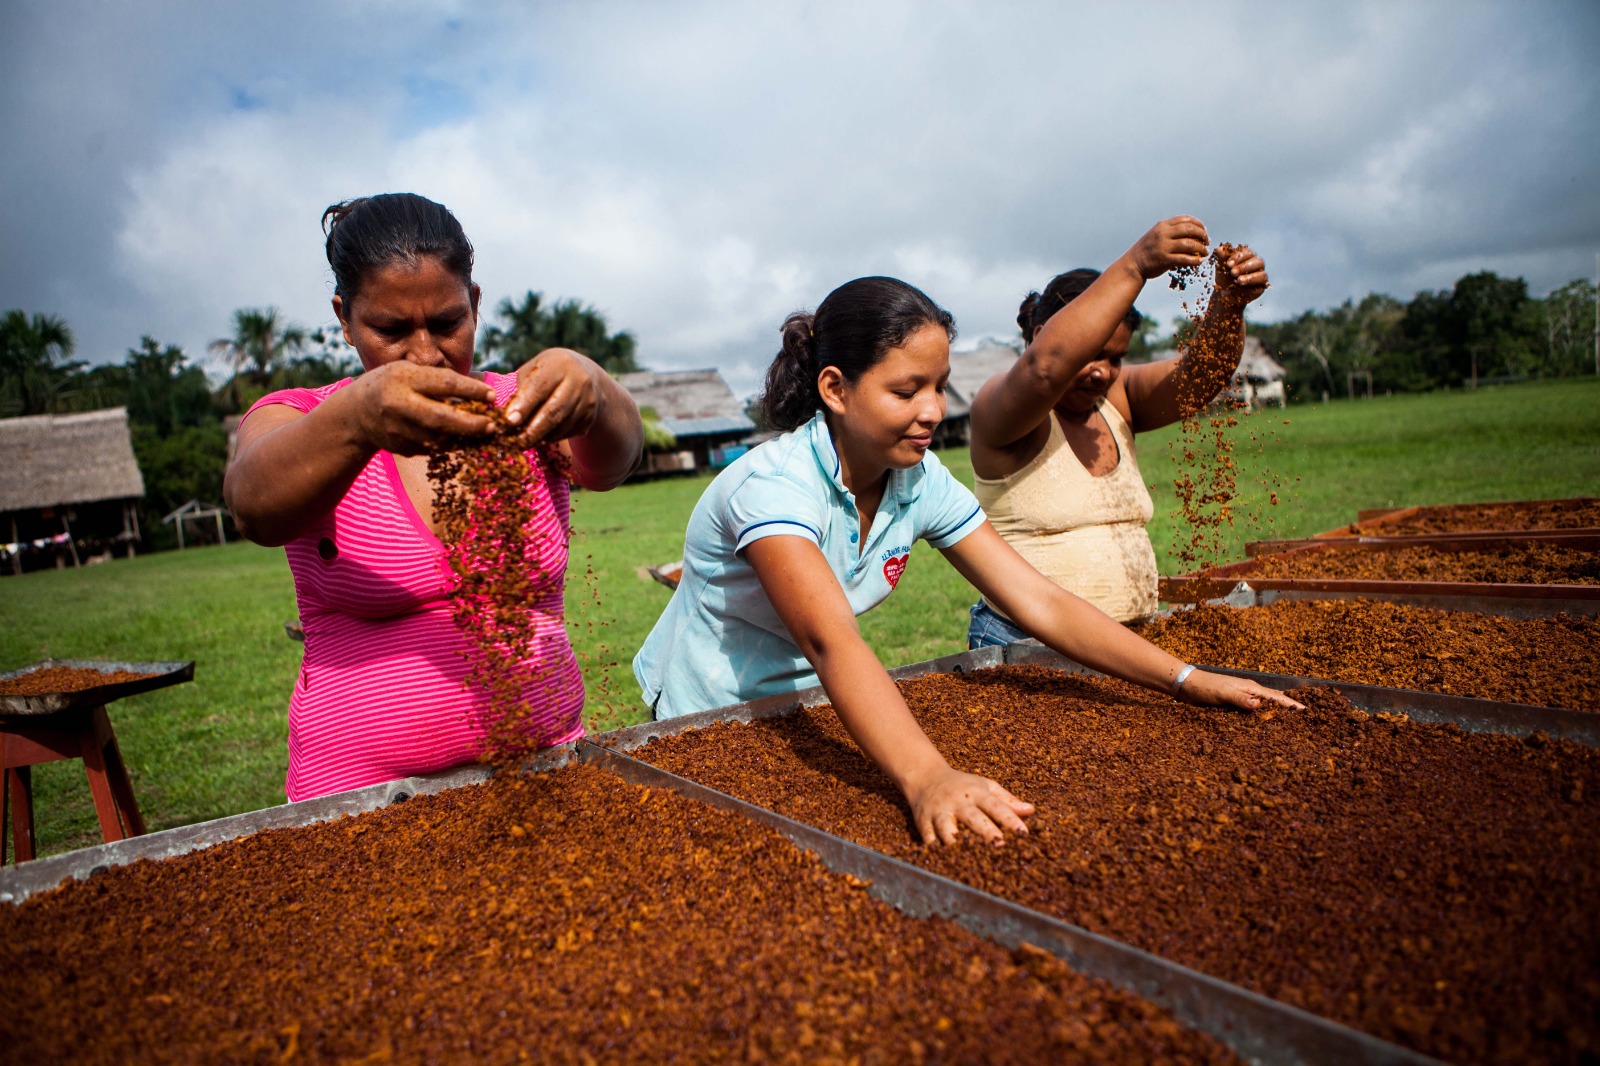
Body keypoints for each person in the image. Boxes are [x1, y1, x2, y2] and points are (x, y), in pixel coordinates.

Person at [633, 276, 1297, 846]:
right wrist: (928, 778)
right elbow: (829, 638)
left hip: (817, 705)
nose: (932, 411)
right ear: (835, 388)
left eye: (941, 386)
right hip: (711, 714)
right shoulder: (773, 487)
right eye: (906, 390)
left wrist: (1186, 679)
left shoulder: (918, 479)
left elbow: (1037, 600)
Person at [225, 193, 643, 802]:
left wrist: (596, 387)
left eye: (448, 323)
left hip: (548, 772)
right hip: (362, 800)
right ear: (344, 318)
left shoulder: (519, 407)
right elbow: (251, 504)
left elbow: (616, 461)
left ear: (474, 303)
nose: (424, 354)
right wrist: (359, 419)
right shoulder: (305, 418)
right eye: (390, 330)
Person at [964, 217, 1270, 647]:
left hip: (1128, 644)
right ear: (1039, 336)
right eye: (1092, 354)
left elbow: (1207, 371)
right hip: (1025, 642)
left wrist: (1229, 302)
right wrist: (1136, 264)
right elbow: (1046, 369)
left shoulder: (1118, 398)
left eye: (1116, 358)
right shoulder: (1001, 406)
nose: (1102, 373)